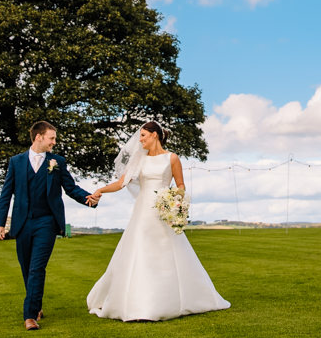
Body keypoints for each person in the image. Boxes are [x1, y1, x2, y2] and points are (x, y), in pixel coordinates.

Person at [86, 121, 230, 321]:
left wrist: (174, 203)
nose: (140, 140)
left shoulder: (172, 158)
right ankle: (139, 303)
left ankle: (173, 300)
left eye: (143, 135)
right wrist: (100, 190)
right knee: (141, 252)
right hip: (143, 211)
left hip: (163, 213)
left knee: (167, 253)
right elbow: (121, 183)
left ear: (155, 135)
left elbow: (180, 185)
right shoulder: (139, 160)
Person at [0, 121, 99, 330]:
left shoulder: (57, 161)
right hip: (22, 223)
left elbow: (70, 187)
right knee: (26, 268)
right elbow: (6, 194)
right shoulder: (16, 162)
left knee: (37, 268)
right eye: (51, 138)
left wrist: (87, 198)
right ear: (38, 137)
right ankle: (36, 304)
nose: (54, 142)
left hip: (47, 222)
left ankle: (29, 316)